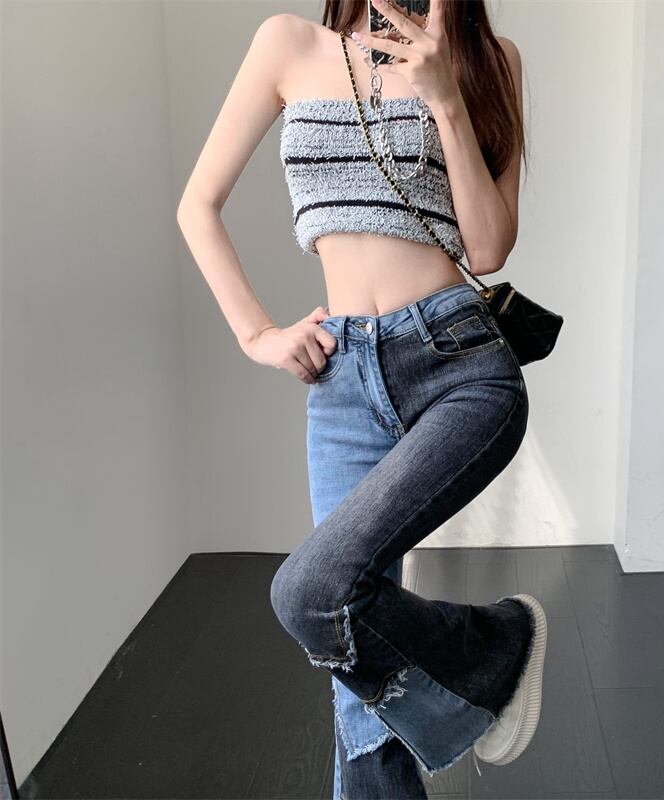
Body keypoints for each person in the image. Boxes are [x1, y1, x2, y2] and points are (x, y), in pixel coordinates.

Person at [176, 1, 547, 798]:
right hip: (341, 376)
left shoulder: (492, 59)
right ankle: (492, 649)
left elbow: (488, 247)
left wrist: (446, 97)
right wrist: (257, 333)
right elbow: (196, 204)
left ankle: (497, 646)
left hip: (458, 360)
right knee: (342, 645)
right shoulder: (288, 44)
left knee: (314, 594)